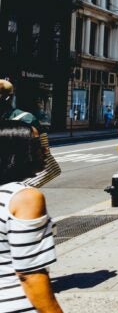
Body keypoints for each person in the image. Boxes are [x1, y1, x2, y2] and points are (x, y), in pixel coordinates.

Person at [0, 121, 63, 313]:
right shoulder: (25, 198)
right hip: (17, 304)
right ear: (16, 152)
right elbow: (30, 275)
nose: (45, 151)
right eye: (37, 145)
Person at [0, 79, 60, 189]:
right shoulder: (27, 118)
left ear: (8, 97)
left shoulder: (25, 119)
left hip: (14, 183)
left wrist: (17, 189)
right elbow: (44, 155)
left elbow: (44, 157)